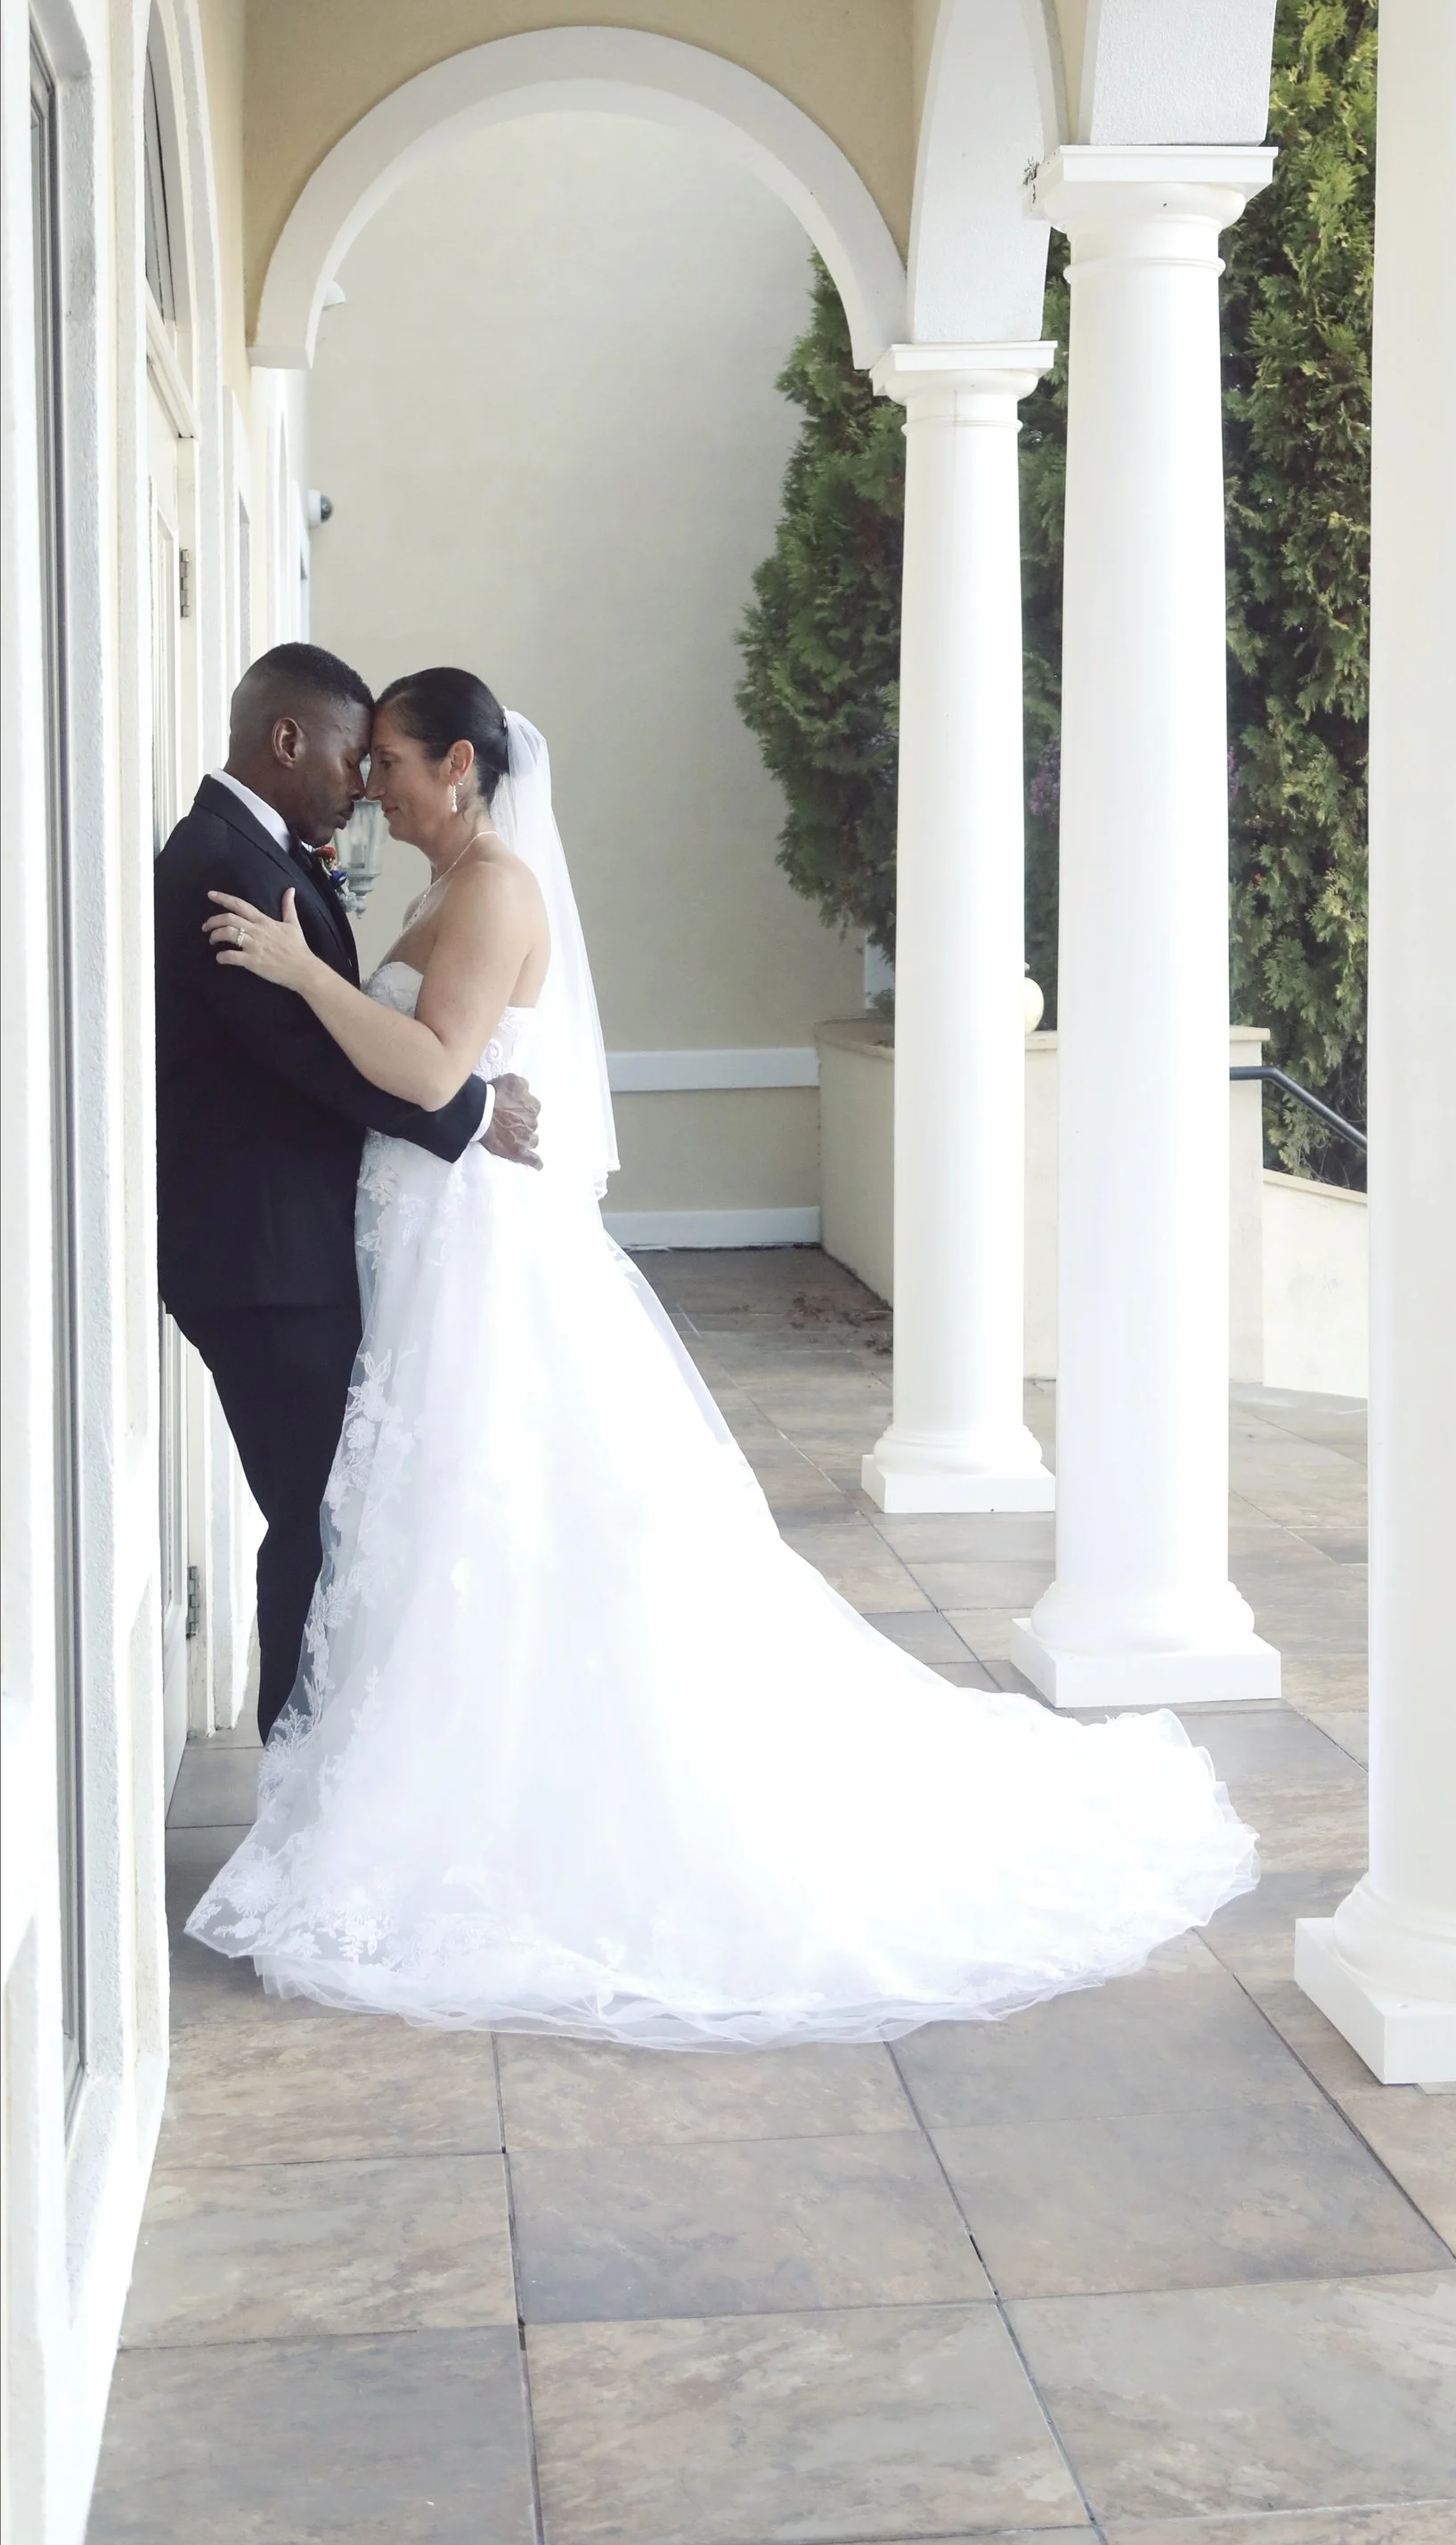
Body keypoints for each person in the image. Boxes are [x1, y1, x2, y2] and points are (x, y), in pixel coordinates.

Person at [187, 670, 1254, 2043]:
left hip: (476, 1257)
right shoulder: (446, 883)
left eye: (390, 759)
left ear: (458, 765)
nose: (374, 785)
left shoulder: (497, 888)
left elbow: (431, 1068)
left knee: (504, 1511)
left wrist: (298, 974)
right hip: (420, 1246)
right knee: (442, 1527)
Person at [153, 645, 543, 1737]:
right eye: (350, 757)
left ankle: (318, 1775)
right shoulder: (222, 862)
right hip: (264, 1263)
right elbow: (311, 1055)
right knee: (321, 1529)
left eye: (382, 762)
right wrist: (471, 1111)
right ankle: (300, 1784)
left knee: (339, 1525)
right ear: (288, 741)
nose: (363, 786)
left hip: (308, 1251)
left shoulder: (267, 850)